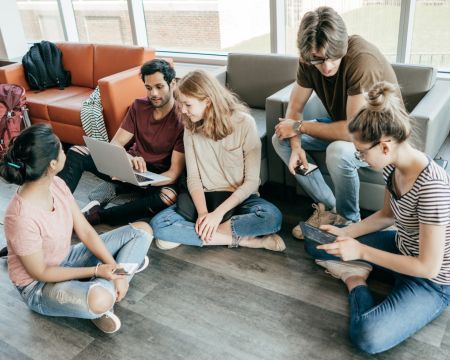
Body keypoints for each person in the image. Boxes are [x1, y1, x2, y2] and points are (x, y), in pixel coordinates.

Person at [305, 82, 450, 354]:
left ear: (385, 146)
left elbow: (427, 267)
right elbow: (387, 216)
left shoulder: (433, 189)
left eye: (362, 152)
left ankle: (355, 279)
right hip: (402, 249)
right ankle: (357, 265)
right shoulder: (392, 169)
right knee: (317, 242)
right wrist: (347, 233)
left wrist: (361, 252)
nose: (361, 158)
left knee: (368, 337)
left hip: (432, 280)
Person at [1, 124, 154, 333]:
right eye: (62, 149)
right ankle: (114, 279)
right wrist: (99, 270)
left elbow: (86, 231)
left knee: (142, 231)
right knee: (101, 299)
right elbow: (41, 272)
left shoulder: (56, 184)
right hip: (38, 286)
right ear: (53, 164)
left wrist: (115, 271)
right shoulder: (19, 217)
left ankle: (114, 276)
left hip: (67, 258)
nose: (66, 151)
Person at [272, 6, 402, 239]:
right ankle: (331, 208)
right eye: (318, 60)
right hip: (343, 125)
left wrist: (299, 127)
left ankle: (350, 220)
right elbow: (295, 108)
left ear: (342, 46)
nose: (327, 66)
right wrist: (296, 146)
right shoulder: (308, 59)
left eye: (333, 58)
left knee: (338, 151)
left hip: (379, 136)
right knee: (280, 137)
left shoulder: (362, 60)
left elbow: (354, 131)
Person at [151, 70, 285, 252]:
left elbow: (252, 182)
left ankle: (193, 235)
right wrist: (204, 214)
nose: (182, 110)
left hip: (237, 200)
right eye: (181, 104)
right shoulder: (190, 127)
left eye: (187, 105)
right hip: (203, 199)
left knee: (272, 218)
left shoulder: (245, 123)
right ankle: (245, 240)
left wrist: (217, 215)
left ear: (207, 101)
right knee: (159, 225)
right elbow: (194, 178)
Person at [58, 59, 185, 226]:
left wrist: (144, 180)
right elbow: (116, 142)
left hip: (155, 178)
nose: (153, 93)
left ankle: (99, 216)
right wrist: (126, 159)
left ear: (173, 83)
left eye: (159, 87)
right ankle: (57, 209)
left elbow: (174, 173)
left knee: (168, 197)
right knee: (76, 152)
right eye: (148, 88)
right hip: (129, 168)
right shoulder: (139, 106)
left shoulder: (182, 118)